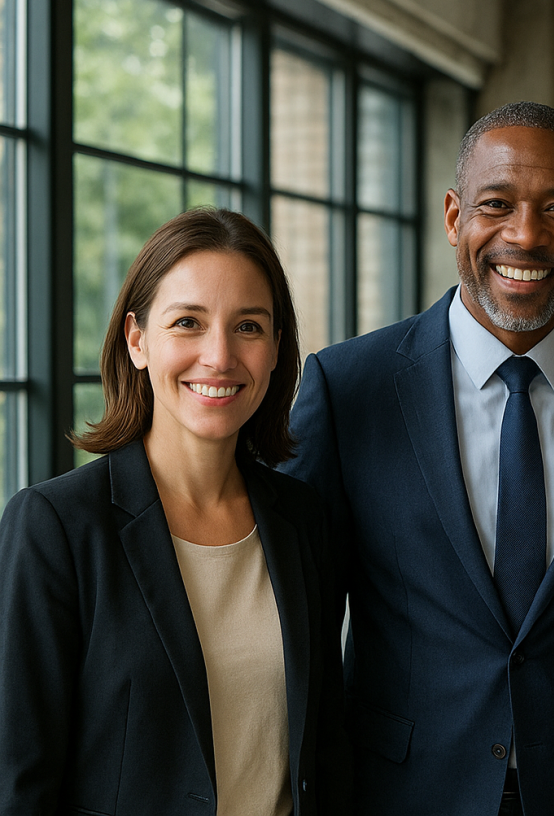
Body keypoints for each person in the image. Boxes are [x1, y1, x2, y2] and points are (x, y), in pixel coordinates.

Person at [284, 101, 554, 815]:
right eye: (496, 204)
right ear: (453, 216)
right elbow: (300, 623)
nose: (526, 235)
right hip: (398, 793)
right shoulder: (348, 388)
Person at [0, 208, 350, 815]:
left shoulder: (303, 521)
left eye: (249, 326)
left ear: (274, 351)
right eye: (188, 322)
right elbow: (18, 784)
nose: (218, 356)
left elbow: (323, 750)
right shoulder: (55, 527)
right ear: (138, 341)